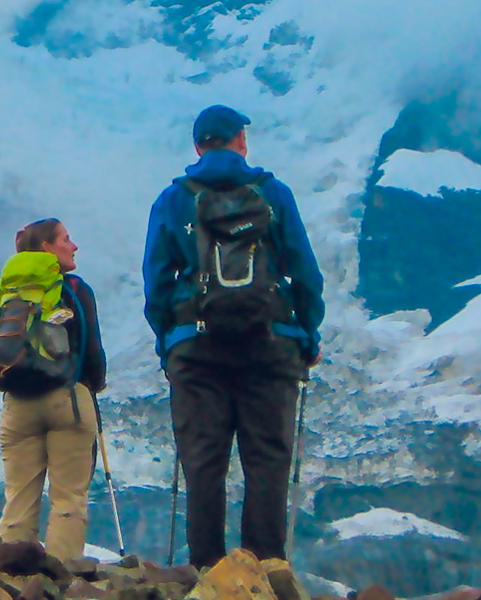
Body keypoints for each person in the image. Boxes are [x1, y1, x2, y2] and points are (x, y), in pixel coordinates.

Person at [141, 105, 325, 570]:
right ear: (241, 141)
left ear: (198, 146)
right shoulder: (272, 193)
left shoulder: (174, 199)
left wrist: (170, 339)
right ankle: (265, 569)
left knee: (203, 462)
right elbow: (304, 270)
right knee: (267, 459)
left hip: (196, 346)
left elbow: (157, 281)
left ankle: (208, 571)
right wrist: (307, 331)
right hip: (271, 341)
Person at [0, 218, 107, 562]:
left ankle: (8, 578)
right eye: (66, 239)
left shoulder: (9, 290)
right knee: (68, 499)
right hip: (66, 398)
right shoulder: (75, 289)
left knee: (19, 499)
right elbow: (92, 351)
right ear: (47, 249)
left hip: (17, 404)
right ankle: (61, 578)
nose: (74, 246)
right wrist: (95, 384)